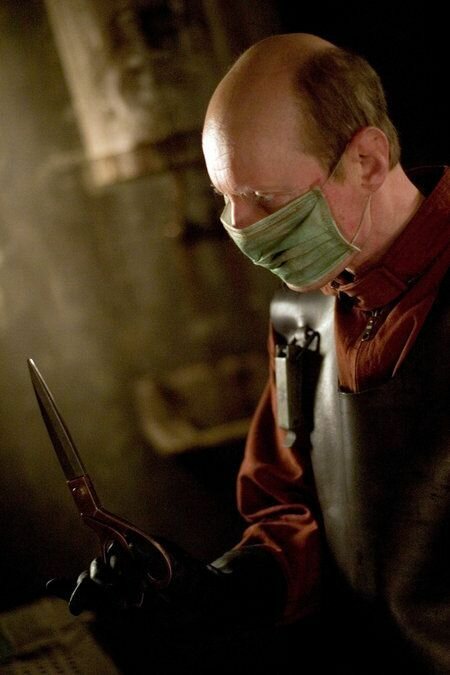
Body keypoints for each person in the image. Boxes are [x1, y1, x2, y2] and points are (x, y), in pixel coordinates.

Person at [48, 34, 450, 673]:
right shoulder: (302, 319)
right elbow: (292, 510)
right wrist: (213, 586)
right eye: (225, 198)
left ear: (368, 160)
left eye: (265, 199)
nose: (242, 227)